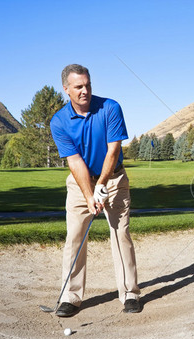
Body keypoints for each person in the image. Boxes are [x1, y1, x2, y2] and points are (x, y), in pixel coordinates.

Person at [50, 64, 141, 317]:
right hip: (80, 184)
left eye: (88, 85)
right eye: (78, 86)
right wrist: (90, 195)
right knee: (75, 236)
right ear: (66, 89)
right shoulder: (59, 121)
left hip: (114, 179)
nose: (84, 91)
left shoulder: (110, 108)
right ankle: (71, 297)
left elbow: (113, 150)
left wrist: (101, 185)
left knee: (120, 234)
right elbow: (75, 162)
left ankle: (130, 293)